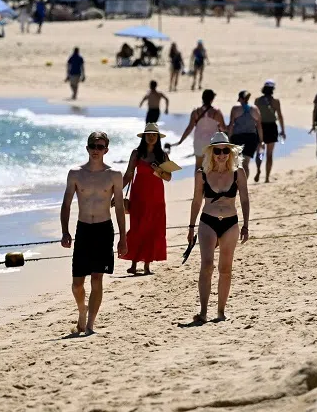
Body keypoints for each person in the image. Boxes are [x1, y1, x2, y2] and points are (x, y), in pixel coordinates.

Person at [59, 132, 127, 336]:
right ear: (87, 148)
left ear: (106, 150)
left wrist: (123, 237)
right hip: (83, 229)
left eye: (100, 146)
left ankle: (90, 324)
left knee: (97, 278)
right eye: (92, 146)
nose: (96, 150)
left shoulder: (114, 174)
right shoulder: (75, 173)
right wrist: (65, 231)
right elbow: (66, 204)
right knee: (77, 284)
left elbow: (120, 208)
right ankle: (82, 311)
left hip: (104, 229)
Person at [187, 132, 250, 323]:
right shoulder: (202, 174)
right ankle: (204, 311)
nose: (221, 154)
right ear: (211, 152)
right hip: (208, 221)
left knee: (226, 268)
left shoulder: (239, 172)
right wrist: (191, 227)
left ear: (230, 152)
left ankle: (221, 311)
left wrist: (246, 225)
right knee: (206, 265)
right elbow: (197, 201)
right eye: (217, 151)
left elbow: (245, 199)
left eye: (225, 150)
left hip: (231, 223)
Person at [121, 124, 171, 276]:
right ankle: (134, 263)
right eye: (148, 134)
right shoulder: (136, 153)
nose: (151, 137)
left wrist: (158, 169)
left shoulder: (162, 155)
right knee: (137, 227)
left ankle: (147, 265)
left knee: (153, 228)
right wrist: (117, 193)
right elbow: (128, 174)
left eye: (154, 134)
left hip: (156, 197)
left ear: (157, 138)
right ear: (144, 136)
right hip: (139, 196)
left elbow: (168, 177)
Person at [175, 89, 227, 169]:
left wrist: (181, 140)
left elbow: (189, 128)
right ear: (212, 99)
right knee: (212, 166)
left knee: (198, 166)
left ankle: (198, 181)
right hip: (212, 142)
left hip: (198, 142)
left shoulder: (196, 112)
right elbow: (224, 128)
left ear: (202, 98)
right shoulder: (216, 112)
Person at [254, 80, 285, 183]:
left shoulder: (257, 100)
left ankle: (258, 170)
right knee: (270, 154)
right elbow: (280, 116)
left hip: (260, 127)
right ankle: (267, 177)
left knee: (260, 151)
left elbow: (254, 116)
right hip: (272, 127)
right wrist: (283, 131)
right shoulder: (275, 102)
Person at [228, 90, 264, 177]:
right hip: (251, 139)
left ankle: (237, 184)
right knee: (246, 164)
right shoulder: (255, 109)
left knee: (237, 164)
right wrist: (261, 140)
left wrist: (229, 139)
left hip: (238, 138)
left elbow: (231, 125)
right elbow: (259, 126)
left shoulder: (235, 109)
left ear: (240, 98)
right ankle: (244, 185)